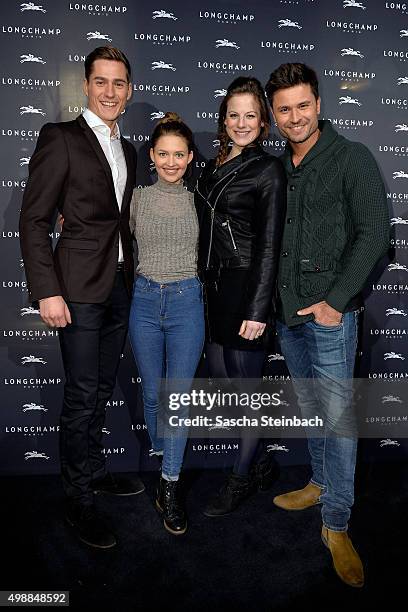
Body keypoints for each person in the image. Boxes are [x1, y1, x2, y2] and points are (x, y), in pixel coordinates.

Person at [265, 63, 390, 587]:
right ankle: (318, 483)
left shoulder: (351, 157)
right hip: (288, 313)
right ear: (274, 114)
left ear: (318, 103)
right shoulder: (278, 167)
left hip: (330, 316)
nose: (294, 117)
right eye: (284, 109)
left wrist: (336, 300)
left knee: (338, 422)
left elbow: (375, 234)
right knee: (314, 407)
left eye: (302, 105)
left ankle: (336, 522)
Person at [19, 47, 144, 550]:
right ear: (86, 87)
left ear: (129, 90)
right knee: (80, 395)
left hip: (118, 286)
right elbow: (33, 221)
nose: (110, 92)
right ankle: (79, 501)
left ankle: (94, 472)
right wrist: (47, 291)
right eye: (101, 82)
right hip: (74, 290)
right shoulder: (61, 138)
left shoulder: (130, 150)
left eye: (119, 83)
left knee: (99, 389)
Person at [195, 76, 286, 516]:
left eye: (251, 114)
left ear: (263, 121)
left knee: (246, 392)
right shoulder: (210, 167)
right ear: (223, 119)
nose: (242, 122)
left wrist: (258, 308)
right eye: (234, 114)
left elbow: (270, 244)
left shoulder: (267, 169)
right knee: (221, 377)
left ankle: (239, 478)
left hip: (246, 286)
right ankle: (263, 460)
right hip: (213, 289)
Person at [128, 113, 204, 536]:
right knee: (154, 396)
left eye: (179, 154)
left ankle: (169, 484)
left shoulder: (199, 200)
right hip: (143, 301)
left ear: (190, 157)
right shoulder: (137, 197)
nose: (171, 162)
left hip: (186, 303)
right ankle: (164, 457)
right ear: (152, 157)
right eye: (164, 154)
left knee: (176, 400)